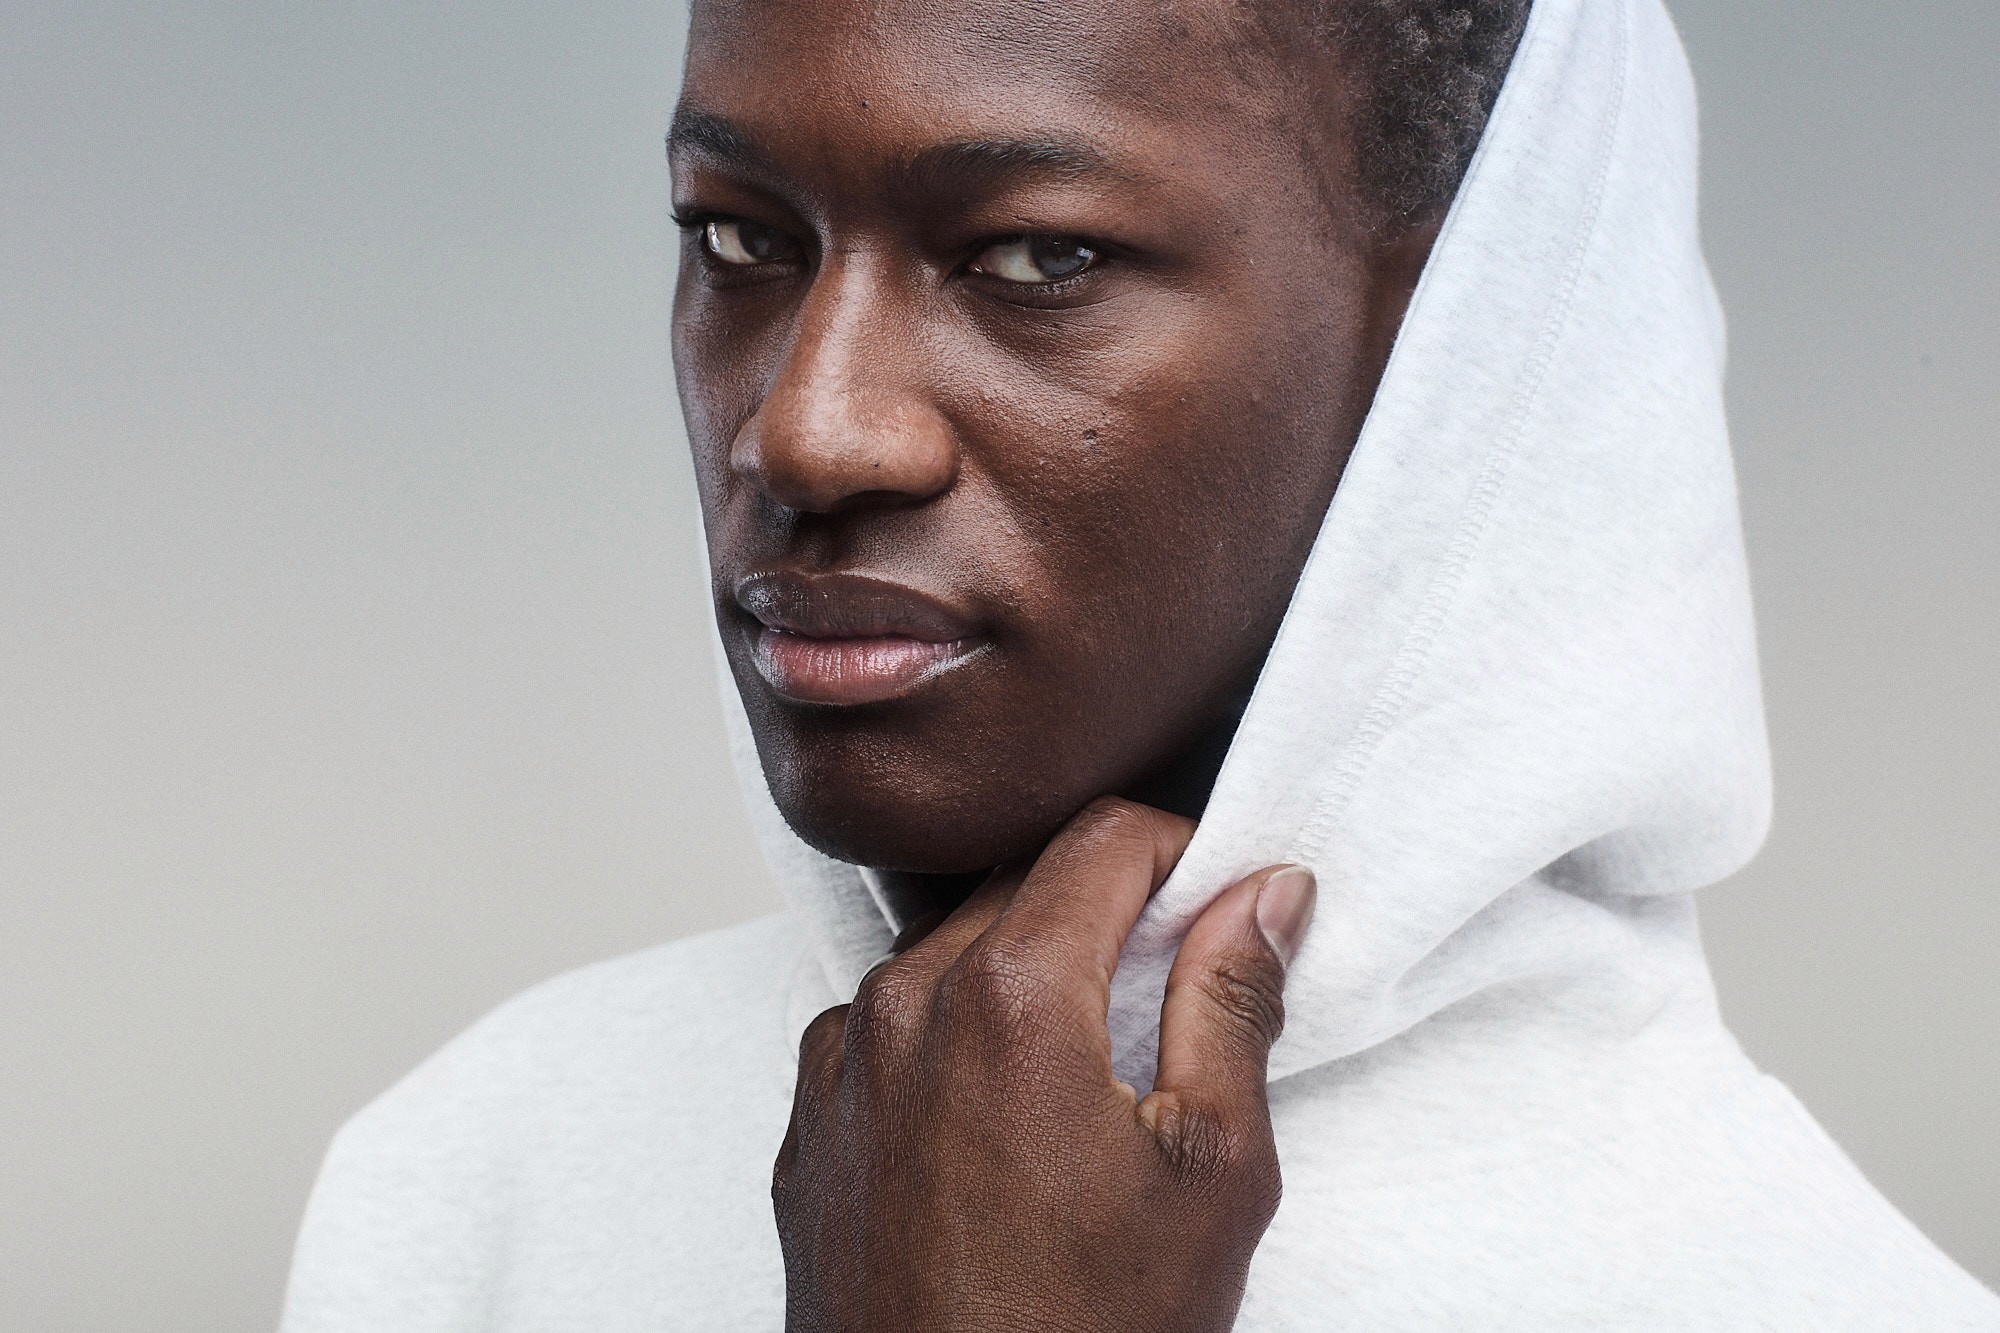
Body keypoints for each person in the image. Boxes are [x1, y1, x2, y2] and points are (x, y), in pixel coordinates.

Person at [280, 0, 2000, 1327]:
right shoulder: (480, 1175)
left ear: (1472, 339)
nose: (806, 429)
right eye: (740, 238)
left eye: (1036, 258)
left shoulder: (1801, 1292)